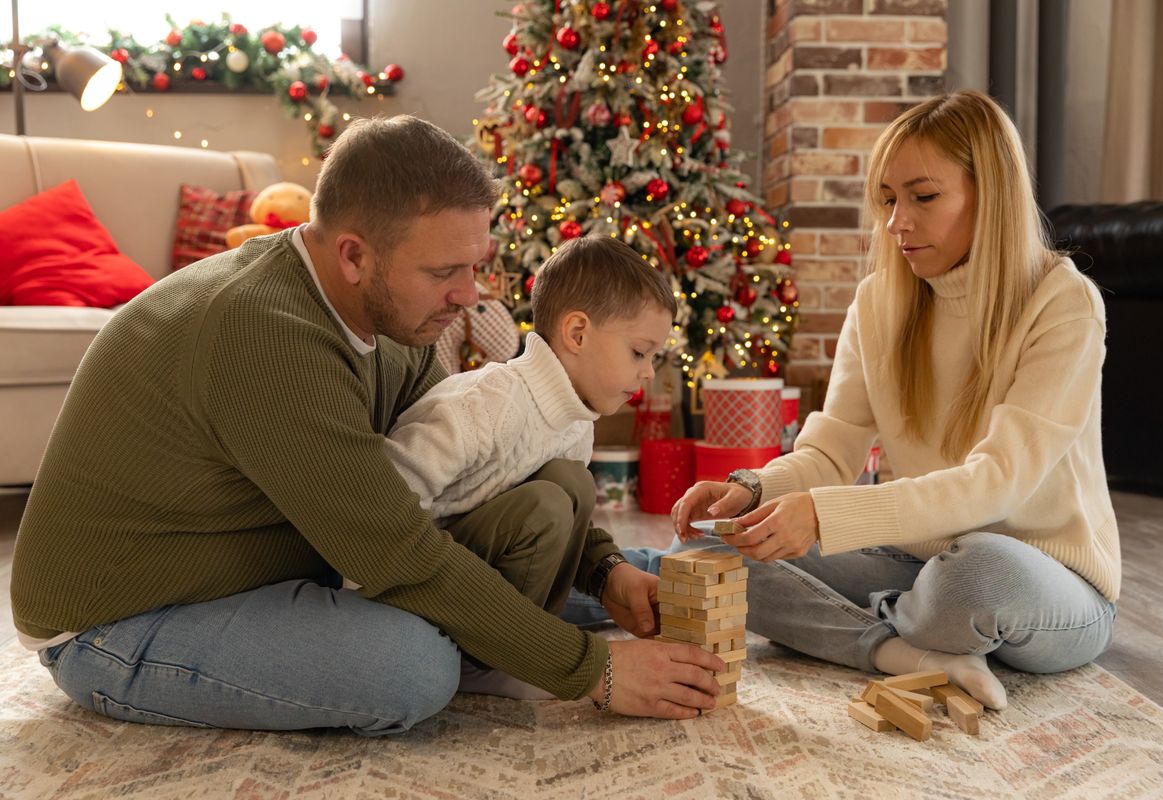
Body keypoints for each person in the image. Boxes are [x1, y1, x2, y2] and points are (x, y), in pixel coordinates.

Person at [10, 115, 725, 733]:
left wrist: (604, 572)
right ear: (354, 254)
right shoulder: (263, 335)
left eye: (475, 267)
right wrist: (592, 671)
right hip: (125, 617)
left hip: (291, 558)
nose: (469, 297)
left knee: (529, 558)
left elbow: (483, 458)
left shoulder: (392, 319)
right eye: (445, 270)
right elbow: (399, 553)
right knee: (409, 670)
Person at [662, 90, 1119, 711]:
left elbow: (999, 484)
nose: (897, 222)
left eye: (923, 197)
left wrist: (825, 518)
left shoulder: (1063, 303)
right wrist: (753, 490)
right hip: (914, 560)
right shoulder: (880, 300)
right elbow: (830, 450)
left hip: (1044, 579)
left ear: (991, 192)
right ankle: (903, 648)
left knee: (974, 574)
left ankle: (892, 619)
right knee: (706, 550)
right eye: (887, 200)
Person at [382, 235, 676, 695]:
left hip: (485, 571)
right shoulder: (488, 404)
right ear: (577, 334)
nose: (648, 372)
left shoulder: (577, 419)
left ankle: (522, 635)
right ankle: (485, 658)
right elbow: (386, 499)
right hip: (420, 581)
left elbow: (571, 528)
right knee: (545, 504)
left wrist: (610, 569)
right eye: (640, 352)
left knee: (570, 484)